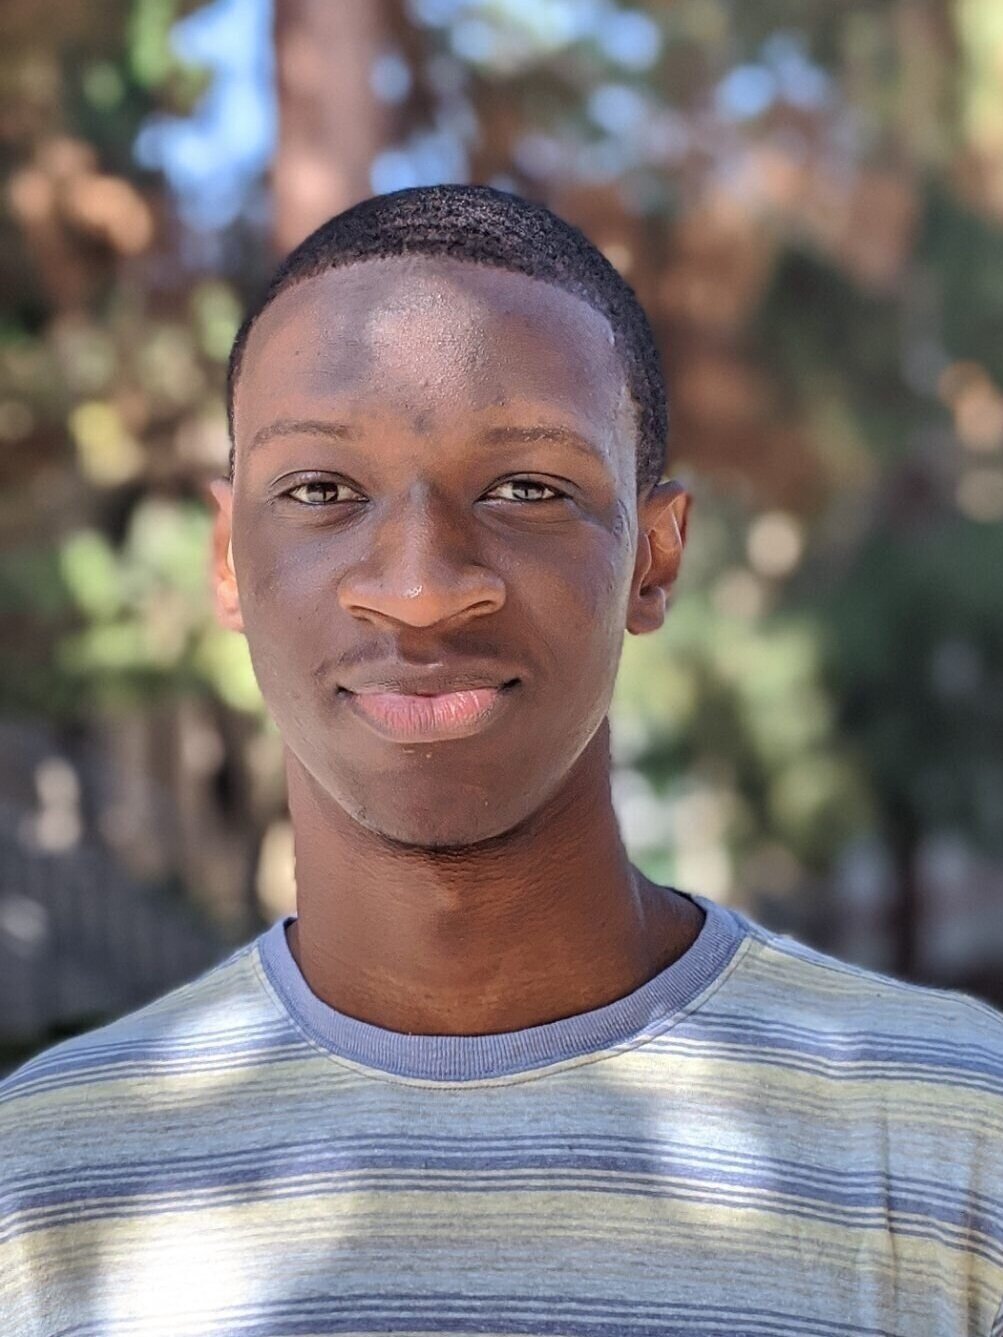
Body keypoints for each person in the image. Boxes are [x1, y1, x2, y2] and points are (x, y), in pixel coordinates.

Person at [1, 183, 1001, 1337]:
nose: (421, 588)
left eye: (527, 487)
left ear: (652, 558)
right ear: (228, 561)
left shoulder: (955, 1134)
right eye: (320, 489)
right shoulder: (43, 1182)